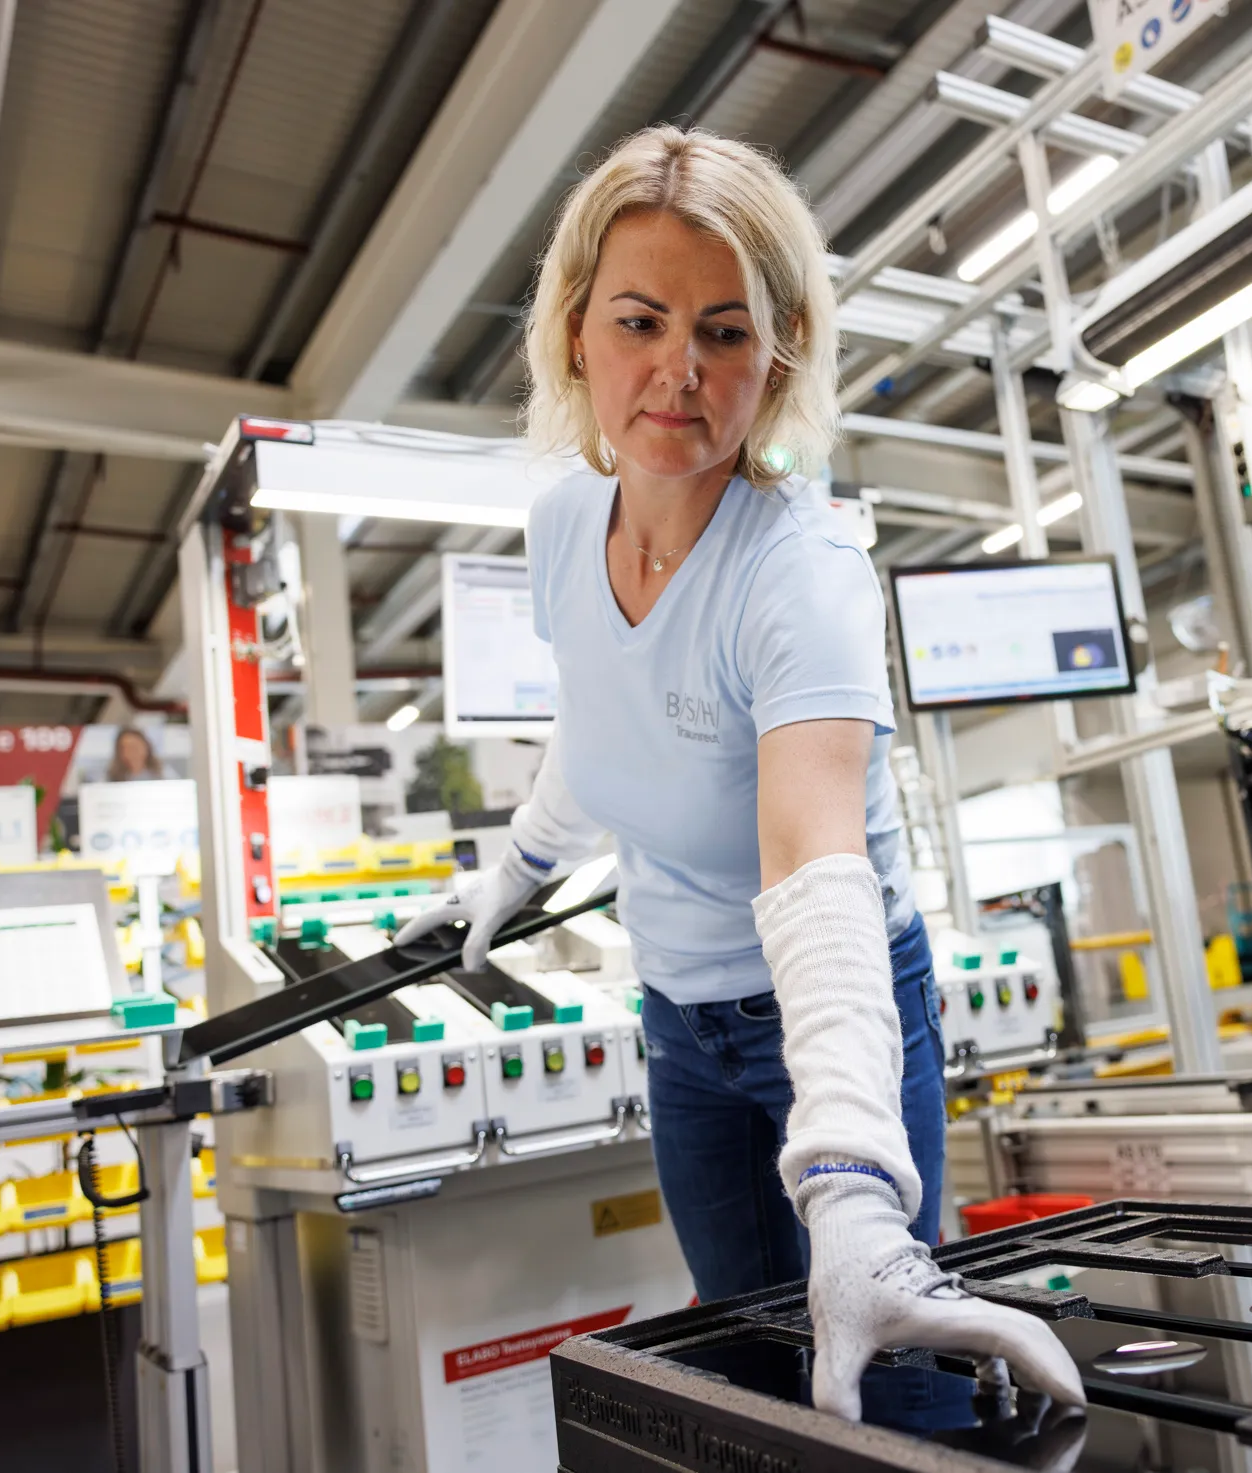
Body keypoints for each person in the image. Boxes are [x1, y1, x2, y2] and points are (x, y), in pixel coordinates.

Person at [396, 127, 1082, 1423]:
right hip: (680, 1033)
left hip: (828, 1012)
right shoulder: (559, 528)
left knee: (891, 1402)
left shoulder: (799, 572)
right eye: (642, 321)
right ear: (575, 333)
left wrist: (850, 1196)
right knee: (755, 1387)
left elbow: (812, 859)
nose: (678, 371)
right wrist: (508, 879)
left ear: (779, 356)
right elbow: (600, 732)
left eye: (725, 331)